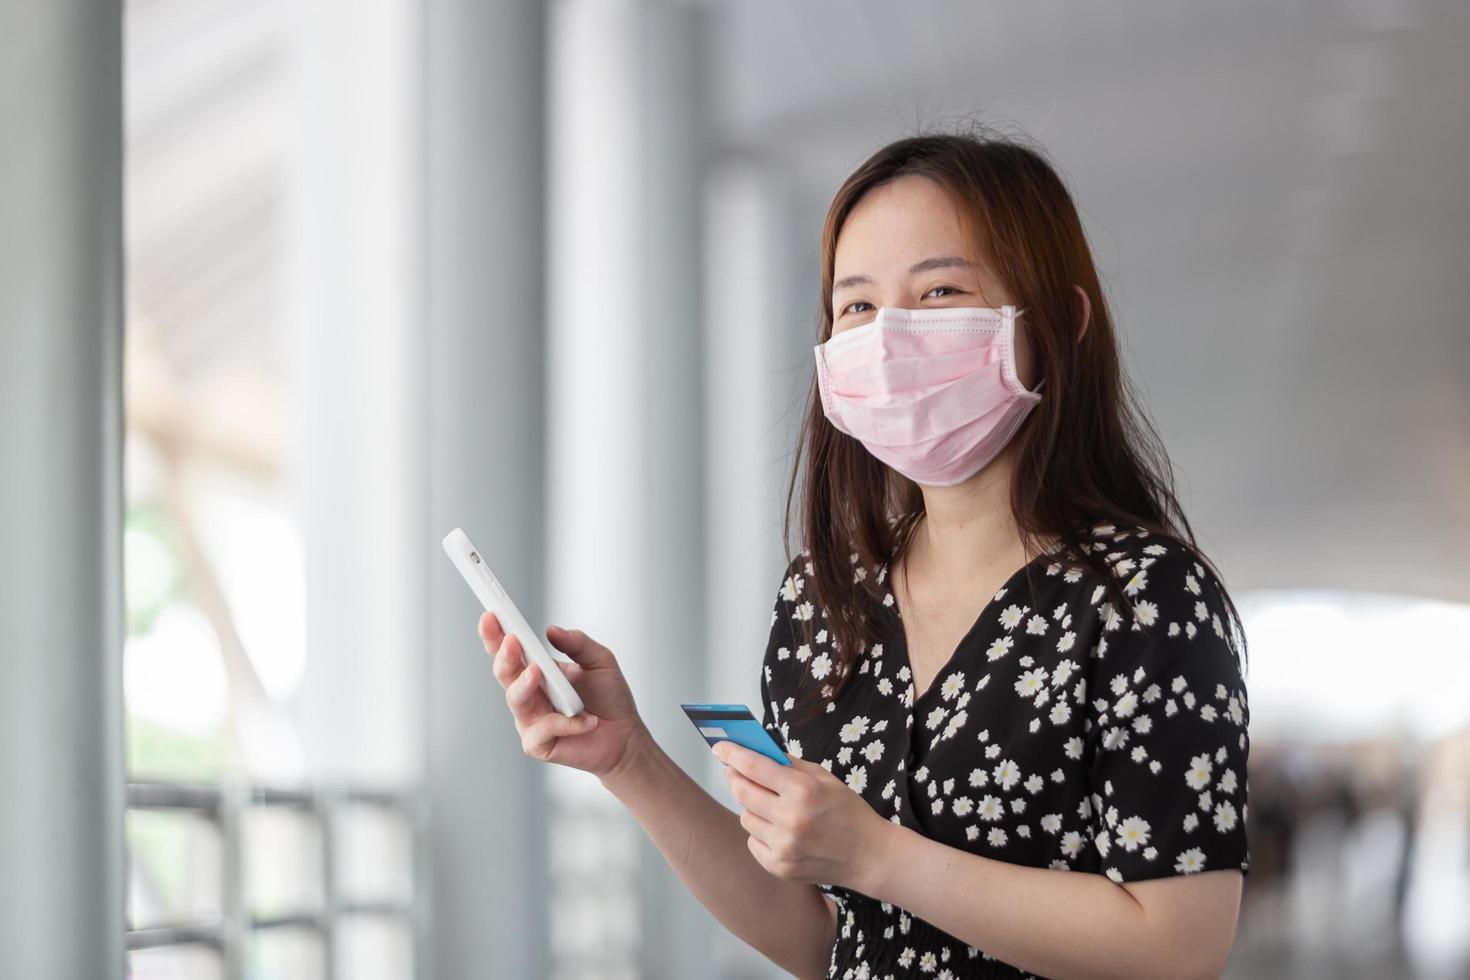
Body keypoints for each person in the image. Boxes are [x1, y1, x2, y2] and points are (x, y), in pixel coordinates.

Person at [479, 127, 1252, 980]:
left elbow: (1178, 949)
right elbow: (822, 935)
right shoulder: (824, 601)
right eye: (857, 307)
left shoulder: (1147, 598)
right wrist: (629, 759)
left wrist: (879, 854)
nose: (889, 340)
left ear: (1062, 322)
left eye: (941, 290)